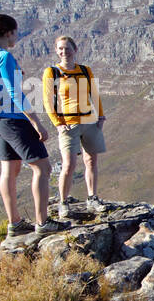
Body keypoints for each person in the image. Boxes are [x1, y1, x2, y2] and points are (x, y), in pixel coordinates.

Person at [0, 14, 68, 236]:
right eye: (16, 32)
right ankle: (43, 223)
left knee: (10, 168)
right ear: (8, 33)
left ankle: (14, 224)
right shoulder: (4, 56)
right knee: (42, 168)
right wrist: (36, 122)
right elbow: (16, 93)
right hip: (13, 120)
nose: (18, 36)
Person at [43, 36, 108, 218]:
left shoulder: (86, 71)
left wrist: (100, 116)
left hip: (89, 121)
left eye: (67, 48)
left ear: (75, 49)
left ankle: (92, 198)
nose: (64, 52)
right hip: (68, 124)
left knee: (91, 161)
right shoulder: (52, 72)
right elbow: (47, 101)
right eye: (60, 49)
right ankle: (63, 202)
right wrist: (57, 123)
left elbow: (94, 95)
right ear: (56, 51)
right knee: (69, 164)